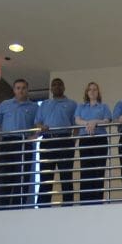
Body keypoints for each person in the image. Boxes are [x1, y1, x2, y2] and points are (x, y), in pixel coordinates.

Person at [0, 77, 39, 207]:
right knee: (5, 176)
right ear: (14, 90)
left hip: (24, 143)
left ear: (27, 90)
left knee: (22, 177)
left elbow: (39, 125)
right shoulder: (5, 104)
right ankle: (2, 208)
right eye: (18, 88)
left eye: (23, 88)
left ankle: (19, 207)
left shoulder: (34, 107)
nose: (20, 91)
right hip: (7, 142)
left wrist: (34, 136)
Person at [34, 77, 78, 206]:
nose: (57, 87)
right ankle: (42, 208)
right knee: (45, 178)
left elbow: (76, 124)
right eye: (54, 85)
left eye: (60, 84)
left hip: (65, 141)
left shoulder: (72, 104)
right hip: (48, 141)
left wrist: (73, 140)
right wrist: (40, 126)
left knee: (66, 177)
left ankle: (69, 208)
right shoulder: (44, 104)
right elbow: (38, 121)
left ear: (64, 87)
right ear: (51, 88)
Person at [74, 81, 112, 202]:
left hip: (100, 139)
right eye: (90, 89)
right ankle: (85, 201)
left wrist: (95, 122)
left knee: (98, 171)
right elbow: (77, 120)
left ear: (98, 92)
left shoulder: (104, 106)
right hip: (85, 139)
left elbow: (107, 120)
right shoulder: (81, 106)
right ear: (87, 92)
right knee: (86, 170)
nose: (92, 91)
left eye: (95, 89)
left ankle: (97, 200)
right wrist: (89, 123)